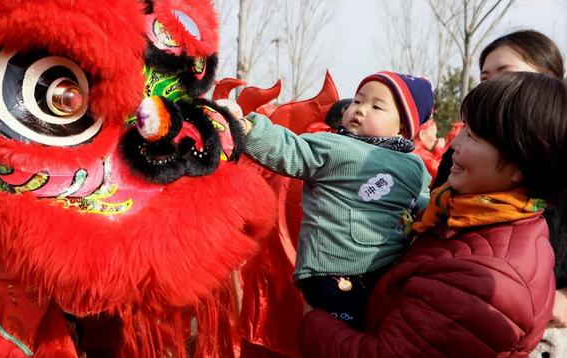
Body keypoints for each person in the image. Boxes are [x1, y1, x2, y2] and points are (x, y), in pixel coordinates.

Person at [299, 71, 567, 357]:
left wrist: (311, 318)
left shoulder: (486, 276)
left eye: (473, 136)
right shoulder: (464, 216)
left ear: (521, 166)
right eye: (464, 128)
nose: (454, 144)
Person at [237, 71, 434, 329]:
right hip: (334, 272)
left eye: (376, 106)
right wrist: (250, 129)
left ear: (403, 127)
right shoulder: (336, 146)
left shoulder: (415, 165)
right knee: (334, 338)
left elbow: (422, 202)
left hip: (386, 270)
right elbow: (292, 150)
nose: (360, 110)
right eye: (358, 100)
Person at [429, 29, 567, 330]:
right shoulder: (459, 155)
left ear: (549, 82)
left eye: (506, 74)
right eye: (485, 78)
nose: (492, 87)